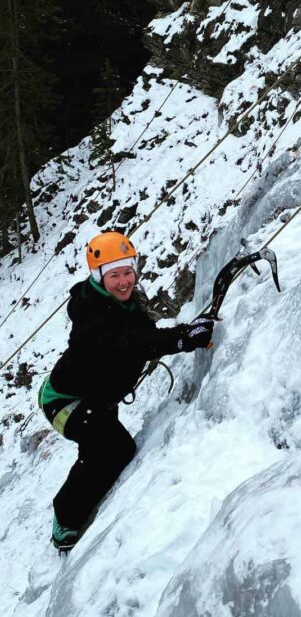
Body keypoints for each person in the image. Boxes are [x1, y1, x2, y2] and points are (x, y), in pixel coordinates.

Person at [38, 231, 214, 552]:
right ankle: (65, 517)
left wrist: (181, 333)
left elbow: (142, 332)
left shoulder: (123, 301)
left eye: (128, 272)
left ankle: (84, 495)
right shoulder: (91, 318)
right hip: (65, 401)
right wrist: (182, 338)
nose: (123, 282)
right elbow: (132, 342)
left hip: (96, 396)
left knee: (99, 447)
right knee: (114, 450)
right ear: (98, 277)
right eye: (114, 275)